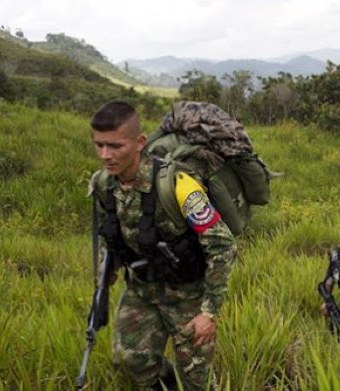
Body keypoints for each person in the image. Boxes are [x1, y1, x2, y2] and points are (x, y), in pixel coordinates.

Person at [88, 101, 237, 390]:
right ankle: (165, 383)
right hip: (142, 290)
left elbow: (222, 245)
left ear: (140, 142)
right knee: (129, 360)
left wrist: (209, 312)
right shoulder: (104, 184)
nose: (106, 155)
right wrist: (107, 273)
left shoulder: (177, 184)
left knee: (196, 379)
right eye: (99, 145)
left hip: (187, 296)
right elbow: (111, 234)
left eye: (115, 146)